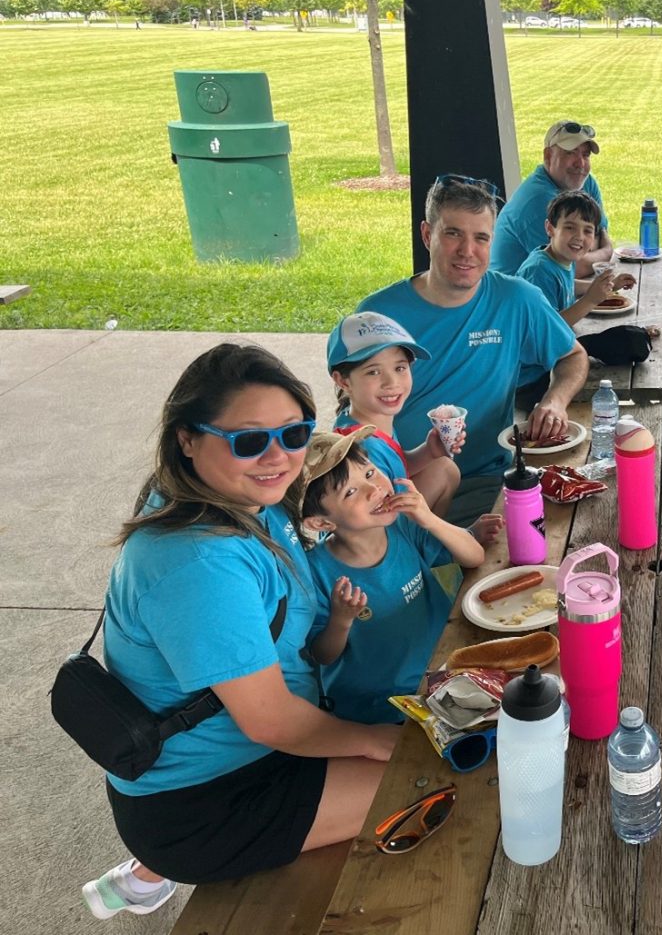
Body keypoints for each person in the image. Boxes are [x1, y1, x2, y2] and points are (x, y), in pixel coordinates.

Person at [81, 344, 399, 920]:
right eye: (249, 440)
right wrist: (381, 743)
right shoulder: (198, 563)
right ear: (187, 439)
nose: (278, 457)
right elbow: (271, 720)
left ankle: (141, 879)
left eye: (295, 433)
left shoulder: (245, 497)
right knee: (420, 777)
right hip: (207, 803)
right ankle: (158, 871)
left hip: (241, 757)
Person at [357, 175, 588, 526]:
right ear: (426, 234)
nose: (468, 251)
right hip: (394, 486)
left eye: (481, 237)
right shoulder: (377, 315)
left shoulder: (517, 298)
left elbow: (572, 355)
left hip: (486, 478)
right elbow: (352, 415)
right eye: (453, 234)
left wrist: (555, 400)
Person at [300, 430, 488, 725]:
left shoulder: (403, 525)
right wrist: (341, 619)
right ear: (322, 522)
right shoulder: (315, 571)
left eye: (370, 472)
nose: (373, 488)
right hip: (381, 705)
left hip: (445, 669)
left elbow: (474, 556)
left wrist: (429, 518)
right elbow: (322, 655)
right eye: (350, 492)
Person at [327, 311, 461, 515]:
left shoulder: (361, 417)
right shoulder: (363, 446)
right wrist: (465, 535)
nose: (392, 382)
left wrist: (429, 452)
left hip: (387, 510)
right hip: (378, 528)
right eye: (373, 371)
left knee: (444, 467)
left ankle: (430, 542)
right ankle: (427, 544)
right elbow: (375, 520)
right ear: (343, 381)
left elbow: (395, 469)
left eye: (400, 368)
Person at [490, 120, 612, 276]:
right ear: (548, 156)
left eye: (585, 155)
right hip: (515, 296)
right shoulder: (538, 199)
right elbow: (574, 268)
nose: (580, 164)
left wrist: (590, 251)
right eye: (570, 152)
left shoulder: (585, 181)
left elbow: (601, 230)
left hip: (553, 287)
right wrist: (607, 251)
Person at [514, 190, 636, 327]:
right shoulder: (538, 271)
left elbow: (567, 285)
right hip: (540, 347)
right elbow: (548, 328)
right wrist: (590, 300)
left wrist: (608, 285)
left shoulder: (561, 258)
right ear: (550, 228)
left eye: (588, 230)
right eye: (570, 227)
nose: (579, 237)